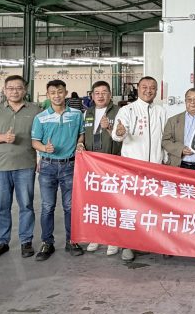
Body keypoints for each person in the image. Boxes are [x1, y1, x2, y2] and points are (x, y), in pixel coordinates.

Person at [0, 75, 41, 261]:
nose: (15, 91)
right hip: (0, 167)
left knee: (26, 205)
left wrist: (41, 157)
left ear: (25, 90)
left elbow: (42, 135)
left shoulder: (35, 110)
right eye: (11, 88)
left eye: (19, 88)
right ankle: (1, 242)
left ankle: (26, 241)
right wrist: (2, 138)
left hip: (26, 166)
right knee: (1, 207)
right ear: (5, 90)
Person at [111, 76, 167, 262]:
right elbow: (118, 134)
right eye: (144, 87)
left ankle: (149, 242)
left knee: (151, 208)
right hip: (133, 169)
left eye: (152, 87)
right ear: (138, 89)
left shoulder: (161, 111)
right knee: (131, 208)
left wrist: (165, 159)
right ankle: (128, 245)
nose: (148, 90)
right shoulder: (127, 110)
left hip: (155, 169)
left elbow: (164, 138)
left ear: (156, 90)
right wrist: (120, 132)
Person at [31, 79, 86, 261]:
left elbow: (81, 134)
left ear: (66, 93)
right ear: (48, 95)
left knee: (70, 206)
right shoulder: (40, 117)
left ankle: (72, 240)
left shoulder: (77, 115)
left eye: (60, 91)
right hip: (48, 166)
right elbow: (35, 141)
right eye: (53, 92)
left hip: (70, 165)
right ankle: (47, 242)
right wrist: (44, 148)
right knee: (47, 207)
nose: (57, 95)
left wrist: (79, 144)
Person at [82, 81, 122, 255]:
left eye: (104, 92)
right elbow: (82, 135)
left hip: (112, 164)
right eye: (97, 93)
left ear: (110, 95)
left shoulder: (119, 112)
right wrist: (80, 144)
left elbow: (123, 137)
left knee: (112, 202)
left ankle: (113, 239)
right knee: (95, 203)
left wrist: (109, 128)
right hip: (92, 165)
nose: (100, 96)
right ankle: (97, 236)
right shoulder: (87, 113)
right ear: (92, 95)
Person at [162, 88, 195, 173]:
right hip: (178, 166)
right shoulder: (173, 120)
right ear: (185, 101)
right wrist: (181, 149)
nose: (192, 102)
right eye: (189, 99)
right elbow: (165, 141)